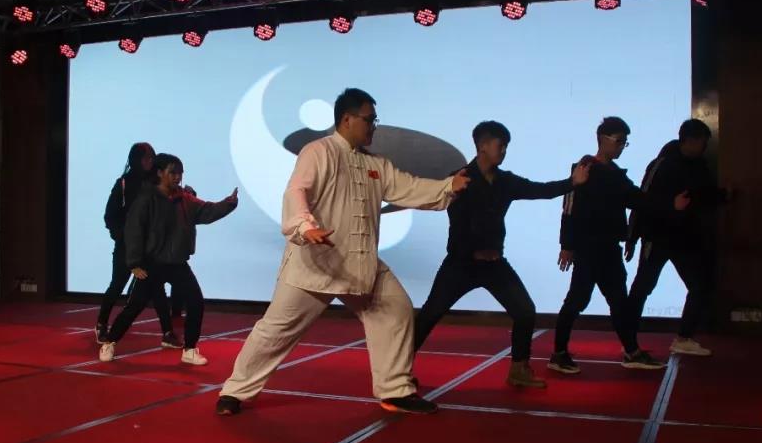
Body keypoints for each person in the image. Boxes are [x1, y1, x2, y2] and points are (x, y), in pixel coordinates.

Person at [216, 88, 470, 416]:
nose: (373, 126)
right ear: (347, 119)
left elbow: (409, 187)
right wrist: (305, 226)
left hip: (360, 262)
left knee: (396, 309)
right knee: (276, 330)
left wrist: (448, 186)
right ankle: (234, 392)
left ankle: (395, 390)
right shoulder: (318, 151)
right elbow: (297, 191)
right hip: (315, 263)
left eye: (374, 120)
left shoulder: (376, 164)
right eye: (369, 119)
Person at [413, 120, 591, 388]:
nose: (504, 151)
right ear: (482, 146)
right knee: (429, 314)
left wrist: (572, 183)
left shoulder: (506, 181)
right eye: (501, 145)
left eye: (506, 146)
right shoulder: (459, 179)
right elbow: (433, 200)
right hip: (460, 264)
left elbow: (539, 189)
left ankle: (519, 369)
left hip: (495, 264)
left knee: (525, 311)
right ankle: (397, 370)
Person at [549, 116, 689, 375]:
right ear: (602, 140)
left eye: (625, 142)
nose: (622, 147)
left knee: (617, 300)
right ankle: (559, 353)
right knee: (578, 299)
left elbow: (638, 199)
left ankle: (632, 351)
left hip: (609, 247)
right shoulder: (584, 168)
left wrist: (670, 205)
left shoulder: (615, 175)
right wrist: (567, 245)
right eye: (619, 141)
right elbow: (569, 209)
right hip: (588, 247)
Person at [98, 153, 238, 365]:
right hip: (151, 264)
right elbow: (134, 230)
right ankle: (110, 342)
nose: (177, 177)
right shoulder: (146, 199)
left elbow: (206, 211)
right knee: (135, 306)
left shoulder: (184, 199)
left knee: (195, 301)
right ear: (159, 173)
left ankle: (189, 349)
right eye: (173, 172)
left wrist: (229, 203)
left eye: (180, 173)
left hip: (177, 263)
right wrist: (134, 263)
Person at [626, 118, 728, 356]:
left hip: (684, 237)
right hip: (657, 235)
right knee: (643, 286)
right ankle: (627, 336)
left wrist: (723, 196)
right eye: (702, 142)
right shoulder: (662, 164)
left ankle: (684, 337)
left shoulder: (700, 165)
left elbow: (704, 195)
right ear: (690, 141)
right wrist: (632, 237)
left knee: (699, 285)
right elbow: (642, 200)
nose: (704, 147)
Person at [98, 143, 176, 348]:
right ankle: (101, 324)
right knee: (117, 285)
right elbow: (110, 215)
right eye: (147, 158)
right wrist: (121, 235)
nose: (151, 161)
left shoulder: (155, 184)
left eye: (152, 158)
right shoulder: (124, 183)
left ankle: (168, 332)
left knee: (157, 288)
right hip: (127, 246)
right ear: (136, 160)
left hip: (150, 248)